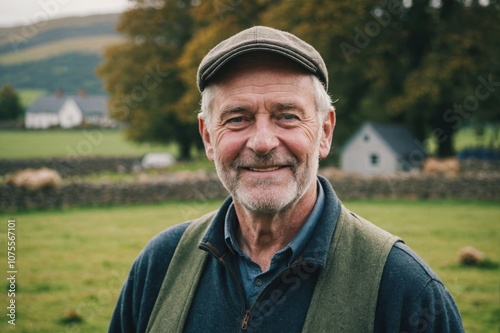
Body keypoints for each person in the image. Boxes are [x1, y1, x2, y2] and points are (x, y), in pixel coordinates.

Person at [109, 26, 464, 333]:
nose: (263, 142)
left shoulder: (406, 289)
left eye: (288, 116)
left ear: (324, 132)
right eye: (237, 118)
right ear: (207, 137)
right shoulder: (161, 265)